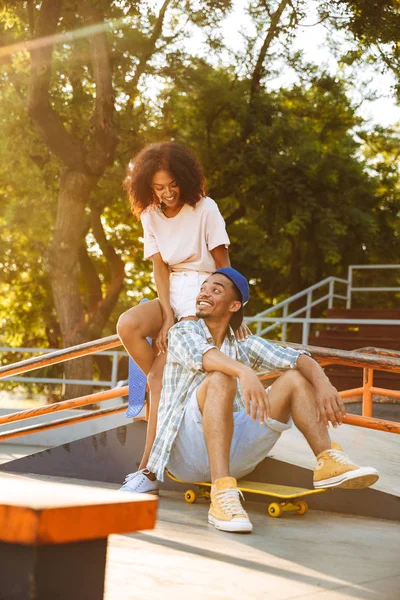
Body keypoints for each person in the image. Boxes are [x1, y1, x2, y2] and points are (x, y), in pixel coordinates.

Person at [121, 267, 380, 534]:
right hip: (185, 454)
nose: (204, 293)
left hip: (235, 452)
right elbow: (205, 356)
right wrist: (243, 371)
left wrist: (324, 384)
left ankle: (328, 461)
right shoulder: (182, 331)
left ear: (234, 305)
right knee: (222, 377)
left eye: (215, 289)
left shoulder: (243, 344)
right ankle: (221, 494)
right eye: (203, 288)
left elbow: (297, 358)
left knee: (294, 378)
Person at [117, 142, 250, 494]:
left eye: (172, 185)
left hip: (204, 289)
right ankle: (170, 377)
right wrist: (165, 316)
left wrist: (237, 315)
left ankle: (147, 471)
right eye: (158, 187)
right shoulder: (149, 214)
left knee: (159, 378)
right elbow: (160, 269)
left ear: (186, 180)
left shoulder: (206, 209)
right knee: (127, 325)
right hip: (172, 290)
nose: (167, 193)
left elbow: (224, 266)